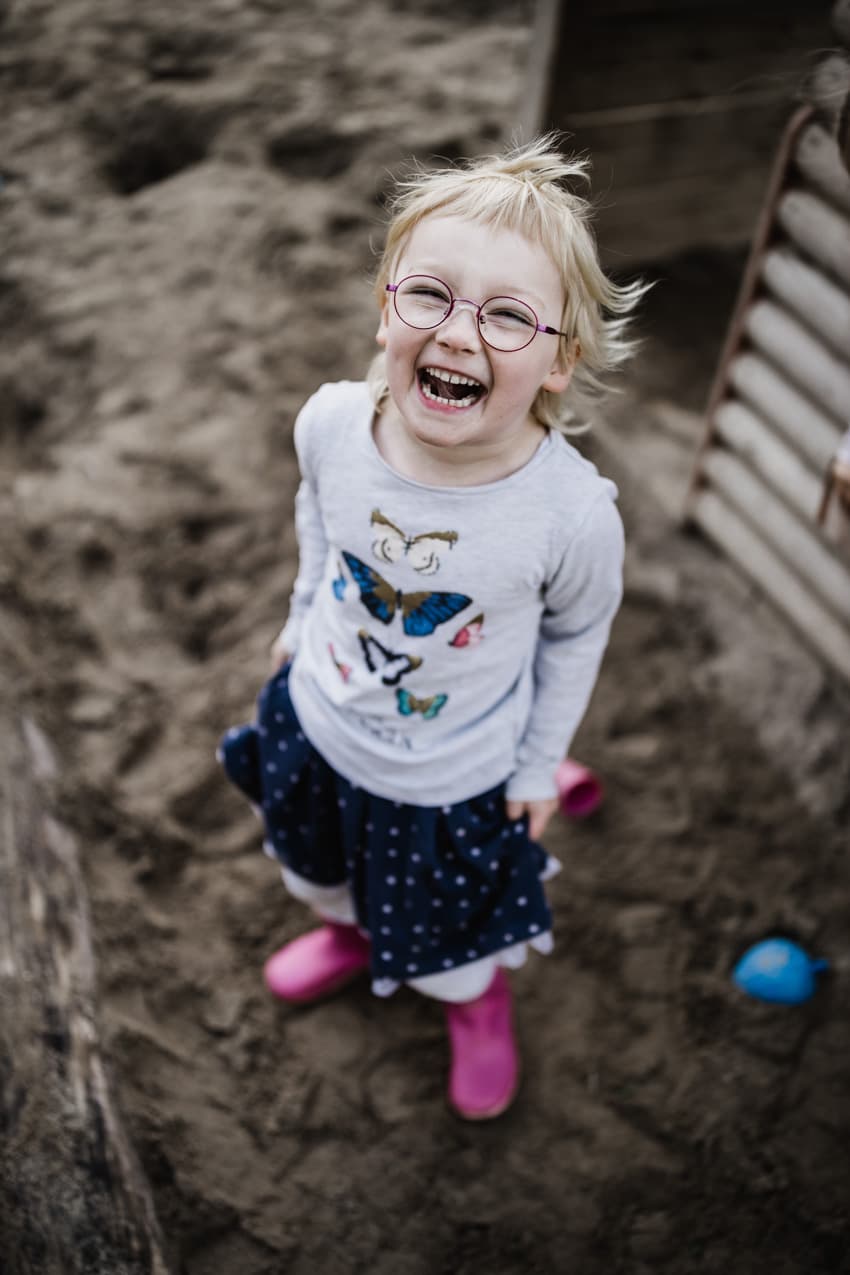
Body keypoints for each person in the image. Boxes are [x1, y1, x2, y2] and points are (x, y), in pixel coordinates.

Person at [219, 135, 645, 1120]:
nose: (459, 335)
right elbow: (318, 517)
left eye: (506, 316)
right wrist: (299, 612)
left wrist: (537, 766)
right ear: (384, 314)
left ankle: (473, 1000)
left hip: (451, 775)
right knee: (316, 866)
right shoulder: (330, 424)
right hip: (321, 720)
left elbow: (576, 637)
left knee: (454, 932)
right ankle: (351, 932)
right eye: (430, 297)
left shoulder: (570, 515)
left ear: (557, 363)